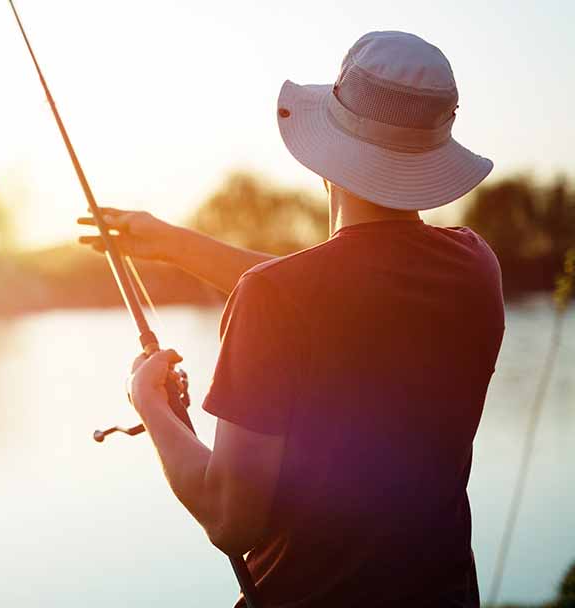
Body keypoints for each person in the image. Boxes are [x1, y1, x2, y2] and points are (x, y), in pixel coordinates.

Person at [78, 31, 504, 607]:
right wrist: (176, 244)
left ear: (328, 152)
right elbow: (339, 295)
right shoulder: (476, 267)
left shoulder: (277, 298)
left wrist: (150, 405)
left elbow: (232, 520)